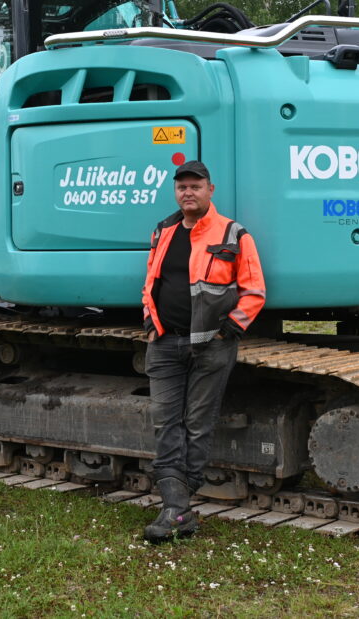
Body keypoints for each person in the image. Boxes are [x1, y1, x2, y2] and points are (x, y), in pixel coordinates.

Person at [140, 160, 266, 543]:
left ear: (210, 190)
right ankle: (178, 509)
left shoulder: (232, 233)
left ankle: (175, 507)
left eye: (195, 186)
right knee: (165, 422)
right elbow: (150, 281)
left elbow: (254, 289)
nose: (188, 192)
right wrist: (150, 322)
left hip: (211, 344)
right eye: (182, 187)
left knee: (197, 423)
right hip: (164, 342)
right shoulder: (163, 231)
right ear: (175, 192)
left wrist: (228, 331)